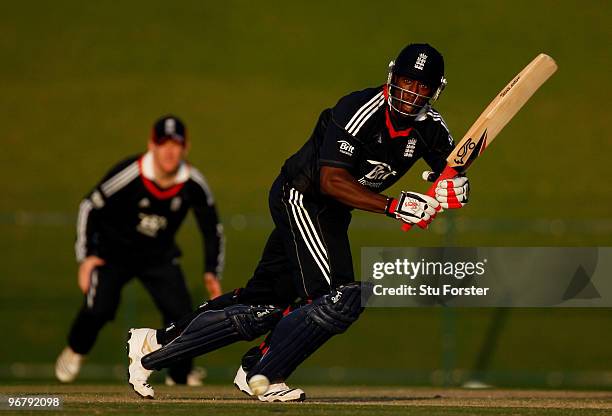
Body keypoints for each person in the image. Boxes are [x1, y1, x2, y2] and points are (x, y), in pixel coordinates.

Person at [126, 43, 470, 402]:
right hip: (302, 196)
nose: (411, 93)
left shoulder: (430, 127)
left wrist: (455, 187)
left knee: (265, 301)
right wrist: (394, 206)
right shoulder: (357, 110)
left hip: (332, 214)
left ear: (435, 90)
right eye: (405, 81)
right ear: (391, 77)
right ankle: (262, 370)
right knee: (336, 298)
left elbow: (449, 169)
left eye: (422, 86)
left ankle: (154, 341)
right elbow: (331, 181)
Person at [55, 115, 225, 386]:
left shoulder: (193, 182)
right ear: (151, 145)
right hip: (113, 253)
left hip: (158, 256)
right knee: (99, 308)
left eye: (176, 144)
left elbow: (211, 228)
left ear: (186, 147)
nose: (169, 151)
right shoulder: (130, 174)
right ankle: (76, 350)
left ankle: (180, 376)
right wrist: (86, 257)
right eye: (163, 143)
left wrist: (211, 272)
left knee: (182, 315)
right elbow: (90, 206)